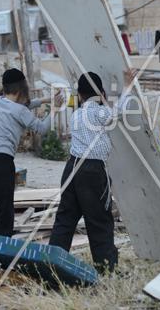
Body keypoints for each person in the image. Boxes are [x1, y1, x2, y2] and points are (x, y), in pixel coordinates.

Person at [49, 70, 134, 273]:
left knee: (65, 219)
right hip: (92, 171)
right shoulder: (97, 112)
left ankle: (53, 265)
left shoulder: (77, 114)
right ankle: (106, 269)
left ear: (79, 95)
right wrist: (128, 86)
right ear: (101, 94)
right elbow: (119, 112)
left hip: (72, 168)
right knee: (99, 221)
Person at [0, 68, 58, 236]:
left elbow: (23, 105)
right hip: (0, 160)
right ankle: (1, 244)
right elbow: (41, 128)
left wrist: (45, 100)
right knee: (3, 206)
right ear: (22, 88)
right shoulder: (20, 111)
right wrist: (55, 110)